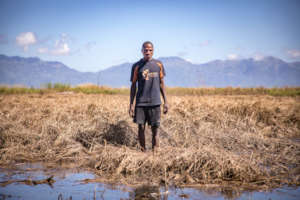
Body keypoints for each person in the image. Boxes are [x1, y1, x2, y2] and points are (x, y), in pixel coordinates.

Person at [129, 41, 168, 152]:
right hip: (141, 103)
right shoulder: (136, 66)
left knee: (155, 128)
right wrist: (131, 104)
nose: (148, 52)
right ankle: (143, 152)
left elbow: (161, 83)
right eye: (145, 50)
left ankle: (155, 152)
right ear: (142, 51)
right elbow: (133, 86)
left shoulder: (158, 64)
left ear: (153, 51)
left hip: (155, 102)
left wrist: (166, 102)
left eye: (150, 50)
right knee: (141, 127)